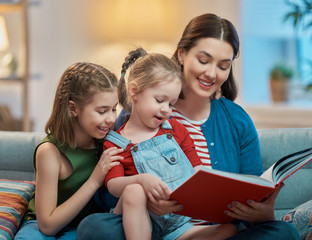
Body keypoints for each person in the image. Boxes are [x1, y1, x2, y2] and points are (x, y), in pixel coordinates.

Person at [77, 14, 300, 240]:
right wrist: (145, 199)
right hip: (150, 228)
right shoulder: (133, 117)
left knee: (284, 233)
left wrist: (262, 213)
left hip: (211, 231)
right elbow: (108, 194)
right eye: (204, 61)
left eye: (223, 66)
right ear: (182, 54)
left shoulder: (237, 120)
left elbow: (251, 188)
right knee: (95, 228)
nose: (211, 73)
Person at [103, 48, 238, 240]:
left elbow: (197, 167)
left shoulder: (174, 128)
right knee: (133, 190)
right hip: (140, 222)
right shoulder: (116, 142)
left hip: (179, 226)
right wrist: (141, 180)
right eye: (160, 100)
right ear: (134, 91)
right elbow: (113, 185)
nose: (166, 110)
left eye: (171, 103)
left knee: (229, 230)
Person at [14, 62, 124, 239]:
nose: (111, 119)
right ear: (73, 108)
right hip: (43, 226)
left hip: (84, 226)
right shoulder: (50, 152)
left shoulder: (107, 142)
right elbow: (47, 226)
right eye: (102, 111)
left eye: (113, 109)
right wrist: (95, 180)